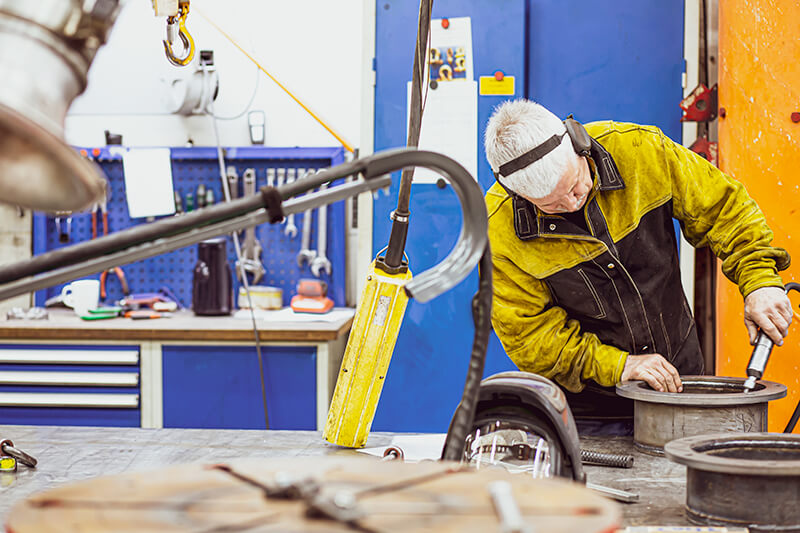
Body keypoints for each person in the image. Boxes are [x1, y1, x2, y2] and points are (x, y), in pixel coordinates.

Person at [484, 99, 793, 428]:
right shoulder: (499, 230)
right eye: (552, 205)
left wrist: (760, 281)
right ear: (518, 196)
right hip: (590, 406)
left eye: (575, 185)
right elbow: (532, 339)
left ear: (578, 142)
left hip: (680, 380)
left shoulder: (640, 151)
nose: (573, 203)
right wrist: (620, 366)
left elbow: (724, 211)